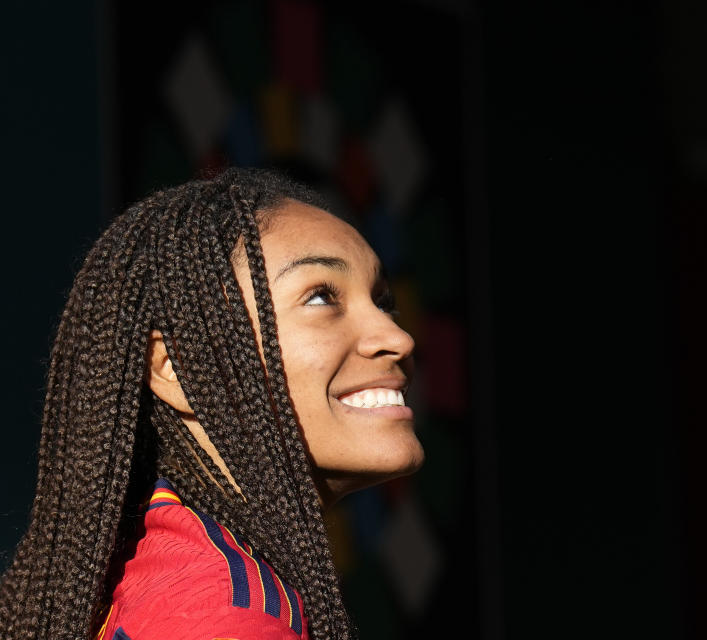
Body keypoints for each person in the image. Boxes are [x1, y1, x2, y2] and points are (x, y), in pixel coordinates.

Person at [0, 168, 423, 639]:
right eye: (322, 297)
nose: (397, 337)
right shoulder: (229, 617)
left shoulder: (161, 563)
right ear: (174, 368)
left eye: (382, 301)